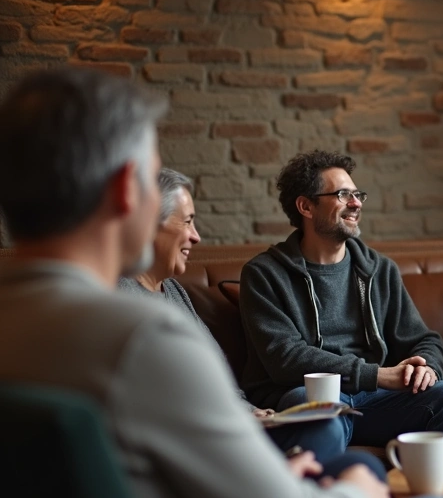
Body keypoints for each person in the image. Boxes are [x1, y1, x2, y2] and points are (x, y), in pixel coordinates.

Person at [0, 67, 443, 498]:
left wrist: (271, 479)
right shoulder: (146, 340)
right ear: (125, 189)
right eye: (154, 177)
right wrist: (361, 495)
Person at [240, 150, 443, 451]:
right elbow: (285, 358)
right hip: (307, 395)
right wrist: (376, 375)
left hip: (375, 401)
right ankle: (329, 497)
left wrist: (425, 368)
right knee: (313, 405)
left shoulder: (379, 269)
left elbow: (423, 339)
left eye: (357, 195)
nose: (355, 204)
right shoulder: (264, 274)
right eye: (342, 195)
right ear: (305, 206)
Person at [118, 168, 345, 460]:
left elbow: (222, 382)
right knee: (339, 445)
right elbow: (155, 401)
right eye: (187, 222)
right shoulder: (121, 301)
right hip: (201, 442)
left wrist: (251, 412)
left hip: (233, 429)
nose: (196, 236)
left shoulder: (173, 291)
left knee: (337, 440)